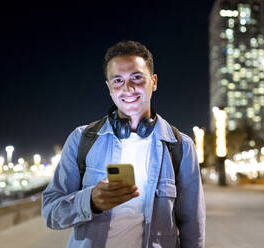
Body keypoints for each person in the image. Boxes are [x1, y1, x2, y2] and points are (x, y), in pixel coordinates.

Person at [42, 40, 206, 248]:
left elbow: (193, 227)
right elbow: (50, 212)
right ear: (109, 87)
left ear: (153, 82)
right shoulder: (81, 139)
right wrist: (90, 201)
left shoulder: (181, 146)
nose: (127, 89)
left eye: (136, 78)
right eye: (117, 80)